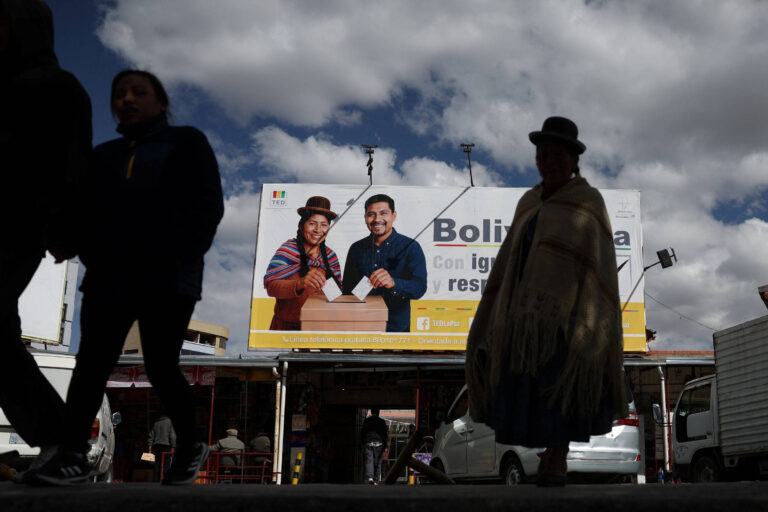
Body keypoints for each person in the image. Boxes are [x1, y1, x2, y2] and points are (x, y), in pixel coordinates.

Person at [34, 69, 224, 486]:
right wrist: (66, 240)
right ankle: (70, 456)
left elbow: (208, 205)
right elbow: (80, 208)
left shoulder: (187, 142)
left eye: (139, 91)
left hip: (169, 277)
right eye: (119, 93)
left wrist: (181, 253)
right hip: (108, 275)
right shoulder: (103, 155)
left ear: (162, 102)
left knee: (160, 364)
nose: (127, 99)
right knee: (91, 364)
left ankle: (191, 443)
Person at [465, 117, 627, 487]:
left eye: (557, 154)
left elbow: (596, 265)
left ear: (573, 160)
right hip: (523, 314)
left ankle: (557, 457)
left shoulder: (588, 201)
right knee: (528, 385)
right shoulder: (528, 201)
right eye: (542, 155)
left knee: (560, 382)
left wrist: (582, 315)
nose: (548, 161)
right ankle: (544, 452)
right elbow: (509, 258)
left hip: (570, 313)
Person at [0, 0, 91, 482]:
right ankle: (63, 440)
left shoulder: (54, 86)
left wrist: (64, 229)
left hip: (16, 223)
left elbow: (72, 164)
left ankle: (64, 440)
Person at [342, 194, 427, 331]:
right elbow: (347, 290)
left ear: (394, 216)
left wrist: (394, 283)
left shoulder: (411, 247)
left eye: (383, 213)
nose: (377, 219)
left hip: (398, 329)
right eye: (371, 214)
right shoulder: (356, 248)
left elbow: (419, 288)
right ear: (365, 218)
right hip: (361, 328)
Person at [264, 196, 342, 330]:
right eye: (312, 223)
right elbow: (271, 287)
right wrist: (300, 283)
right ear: (301, 226)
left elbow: (336, 293)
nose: (318, 230)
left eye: (324, 225)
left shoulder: (330, 256)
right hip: (286, 329)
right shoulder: (288, 250)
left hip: (319, 330)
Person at [360, 408, 388, 484]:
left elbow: (363, 432)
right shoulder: (382, 422)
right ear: (378, 413)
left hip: (368, 442)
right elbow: (385, 434)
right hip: (379, 443)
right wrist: (385, 446)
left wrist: (363, 443)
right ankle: (376, 479)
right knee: (378, 462)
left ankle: (370, 478)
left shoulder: (367, 421)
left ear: (371, 412)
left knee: (369, 460)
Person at [148, 415, 176, 483]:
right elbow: (172, 435)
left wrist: (150, 447)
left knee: (157, 463)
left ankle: (156, 480)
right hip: (166, 446)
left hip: (157, 446)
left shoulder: (156, 423)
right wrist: (173, 446)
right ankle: (164, 479)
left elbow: (151, 435)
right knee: (166, 463)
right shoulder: (169, 422)